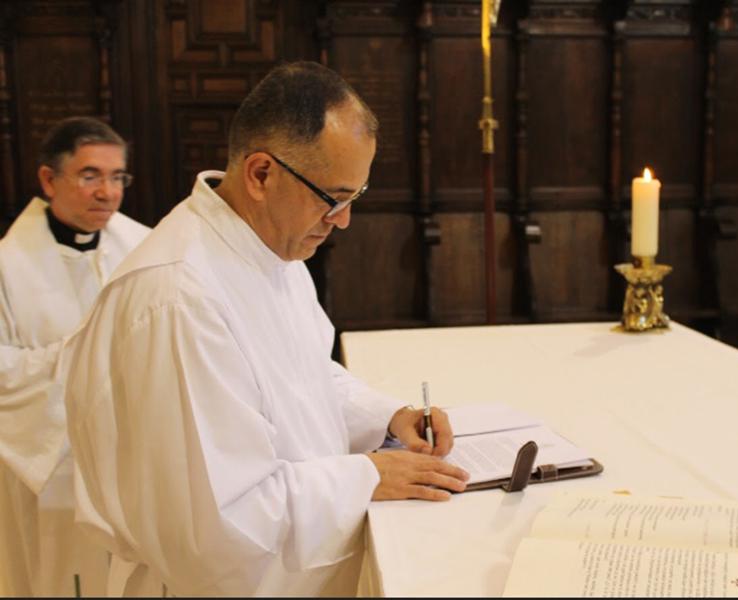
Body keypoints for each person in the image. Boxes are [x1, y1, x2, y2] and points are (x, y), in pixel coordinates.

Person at [64, 61, 469, 597]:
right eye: (333, 197)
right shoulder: (179, 298)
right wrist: (369, 476)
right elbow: (219, 519)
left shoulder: (270, 251)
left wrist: (386, 419)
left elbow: (303, 376)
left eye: (355, 197)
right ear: (261, 174)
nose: (343, 219)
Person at [0, 116, 150, 596]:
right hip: (50, 462)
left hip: (133, 456)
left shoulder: (146, 247)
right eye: (90, 176)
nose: (107, 192)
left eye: (117, 177)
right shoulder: (8, 265)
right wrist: (80, 357)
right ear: (49, 180)